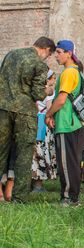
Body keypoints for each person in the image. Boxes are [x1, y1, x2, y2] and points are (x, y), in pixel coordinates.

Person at [0, 36, 55, 202]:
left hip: (3, 108)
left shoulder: (11, 55)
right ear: (46, 50)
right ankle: (19, 197)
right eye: (49, 54)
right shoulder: (39, 64)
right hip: (24, 112)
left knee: (1, 151)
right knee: (24, 153)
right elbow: (38, 94)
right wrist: (49, 91)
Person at [45, 40, 84, 206]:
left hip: (67, 123)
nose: (57, 55)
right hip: (74, 123)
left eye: (60, 52)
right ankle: (72, 197)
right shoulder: (75, 72)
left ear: (69, 53)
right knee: (72, 162)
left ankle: (69, 198)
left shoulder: (69, 72)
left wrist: (48, 114)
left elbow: (61, 100)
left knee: (66, 163)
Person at [32, 70, 57, 193]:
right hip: (43, 123)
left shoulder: (34, 89)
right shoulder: (49, 92)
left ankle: (32, 181)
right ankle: (38, 184)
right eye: (53, 78)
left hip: (33, 121)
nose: (54, 81)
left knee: (34, 153)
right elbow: (49, 108)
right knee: (42, 152)